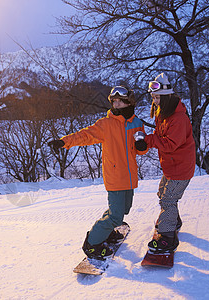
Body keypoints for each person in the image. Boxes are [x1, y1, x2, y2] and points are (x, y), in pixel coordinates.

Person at [48, 86, 148, 260]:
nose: (116, 104)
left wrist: (142, 147)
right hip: (115, 175)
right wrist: (64, 142)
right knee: (116, 216)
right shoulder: (106, 124)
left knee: (123, 209)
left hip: (130, 175)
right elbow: (85, 135)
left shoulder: (137, 123)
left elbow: (140, 148)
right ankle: (92, 243)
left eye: (120, 101)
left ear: (128, 102)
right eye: (114, 101)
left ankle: (107, 232)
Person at [135, 73, 196, 252]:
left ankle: (167, 239)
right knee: (163, 193)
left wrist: (149, 140)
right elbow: (161, 138)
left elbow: (169, 144)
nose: (154, 101)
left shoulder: (178, 119)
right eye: (153, 97)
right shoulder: (164, 113)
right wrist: (146, 139)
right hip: (172, 165)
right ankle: (173, 221)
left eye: (157, 97)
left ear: (167, 95)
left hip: (181, 168)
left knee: (168, 200)